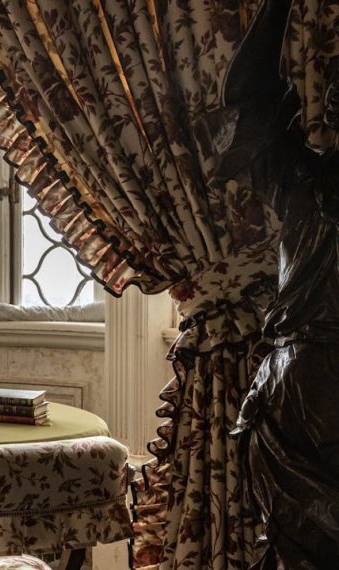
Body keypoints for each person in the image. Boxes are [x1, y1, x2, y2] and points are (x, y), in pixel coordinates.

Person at [196, 0, 339, 567]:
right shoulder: (304, 177)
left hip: (300, 378)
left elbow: (250, 99)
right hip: (295, 381)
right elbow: (250, 97)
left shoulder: (302, 178)